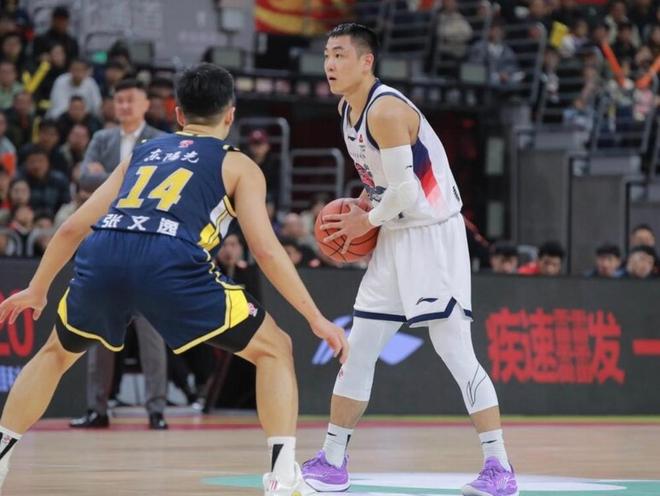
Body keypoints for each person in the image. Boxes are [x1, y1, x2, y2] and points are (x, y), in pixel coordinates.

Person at [0, 62, 347, 495]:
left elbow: (72, 227)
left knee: (55, 353)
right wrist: (316, 318)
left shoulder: (143, 152)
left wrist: (38, 288)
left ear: (178, 114)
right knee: (275, 348)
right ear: (230, 114)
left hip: (106, 251)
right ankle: (281, 477)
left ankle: (1, 453)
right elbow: (265, 250)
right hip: (171, 260)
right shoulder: (239, 166)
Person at [301, 23, 517, 496]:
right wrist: (364, 204)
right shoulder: (347, 109)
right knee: (360, 349)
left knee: (455, 352)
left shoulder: (385, 111)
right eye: (327, 56)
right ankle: (332, 460)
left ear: (366, 62)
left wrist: (364, 221)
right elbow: (382, 182)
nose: (330, 64)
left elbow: (406, 191)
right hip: (395, 234)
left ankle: (499, 467)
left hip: (431, 235)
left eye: (340, 55)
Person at [71, 79, 168, 430]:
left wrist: (108, 181)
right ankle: (97, 408)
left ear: (145, 104)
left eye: (130, 100)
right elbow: (84, 176)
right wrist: (132, 184)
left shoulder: (162, 140)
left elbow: (160, 189)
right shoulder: (102, 139)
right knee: (99, 329)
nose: (124, 106)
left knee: (151, 330)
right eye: (119, 100)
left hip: (148, 244)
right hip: (107, 241)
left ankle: (156, 409)